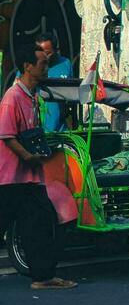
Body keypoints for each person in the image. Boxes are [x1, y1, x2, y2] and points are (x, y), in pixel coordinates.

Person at [0, 45, 75, 289]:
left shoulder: (33, 96)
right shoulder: (13, 98)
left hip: (29, 177)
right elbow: (6, 135)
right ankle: (42, 276)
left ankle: (42, 277)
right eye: (41, 63)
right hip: (11, 178)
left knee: (39, 223)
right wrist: (29, 156)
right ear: (27, 67)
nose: (46, 68)